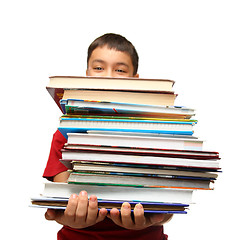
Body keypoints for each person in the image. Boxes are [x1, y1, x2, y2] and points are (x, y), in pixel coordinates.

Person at [43, 33, 173, 240]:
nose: (108, 77)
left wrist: (155, 218)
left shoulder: (158, 133)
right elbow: (60, 199)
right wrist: (69, 218)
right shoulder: (64, 134)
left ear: (135, 80)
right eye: (98, 68)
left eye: (120, 70)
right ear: (86, 74)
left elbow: (168, 204)